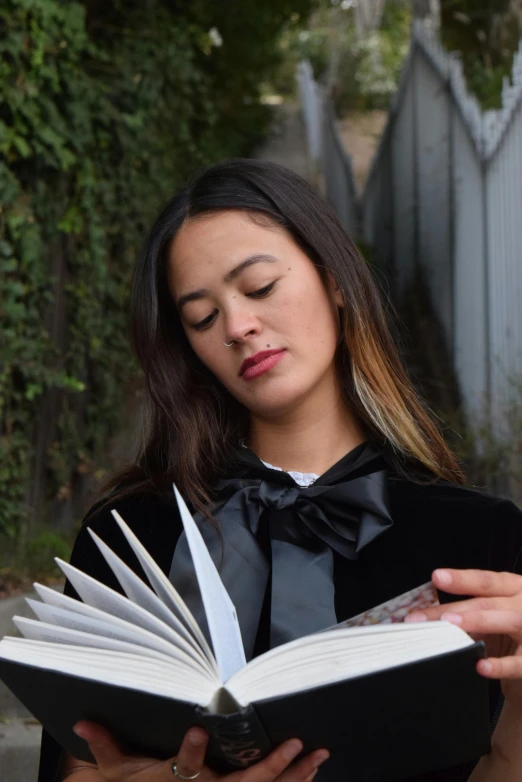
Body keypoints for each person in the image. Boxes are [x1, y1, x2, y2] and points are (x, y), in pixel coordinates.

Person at [39, 159, 522, 782]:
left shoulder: (477, 541)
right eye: (203, 318)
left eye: (261, 286)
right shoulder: (132, 534)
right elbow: (73, 762)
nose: (239, 326)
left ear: (336, 280)